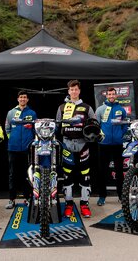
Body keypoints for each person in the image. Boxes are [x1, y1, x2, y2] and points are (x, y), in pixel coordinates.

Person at [56, 79, 97, 218]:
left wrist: (98, 134)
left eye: (76, 89)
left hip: (83, 144)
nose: (74, 91)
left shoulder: (87, 107)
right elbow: (57, 126)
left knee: (85, 174)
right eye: (71, 89)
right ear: (68, 91)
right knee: (67, 175)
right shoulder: (62, 107)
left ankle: (84, 204)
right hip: (67, 144)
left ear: (79, 91)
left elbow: (95, 125)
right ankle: (68, 204)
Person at [4, 90, 37, 209]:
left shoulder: (32, 113)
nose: (23, 99)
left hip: (27, 149)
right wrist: (13, 139)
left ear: (27, 100)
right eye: (21, 97)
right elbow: (7, 129)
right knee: (13, 174)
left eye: (25, 97)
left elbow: (35, 130)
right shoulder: (11, 113)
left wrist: (30, 142)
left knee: (27, 175)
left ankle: (27, 198)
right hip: (13, 148)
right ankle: (11, 200)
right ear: (18, 99)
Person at [95, 87, 127, 206]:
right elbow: (96, 126)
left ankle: (120, 195)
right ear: (106, 95)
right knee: (102, 171)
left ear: (116, 95)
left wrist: (120, 135)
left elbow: (124, 125)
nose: (111, 95)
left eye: (113, 94)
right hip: (104, 144)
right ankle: (102, 196)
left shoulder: (121, 110)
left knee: (119, 171)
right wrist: (101, 137)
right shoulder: (100, 109)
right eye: (109, 94)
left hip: (118, 144)